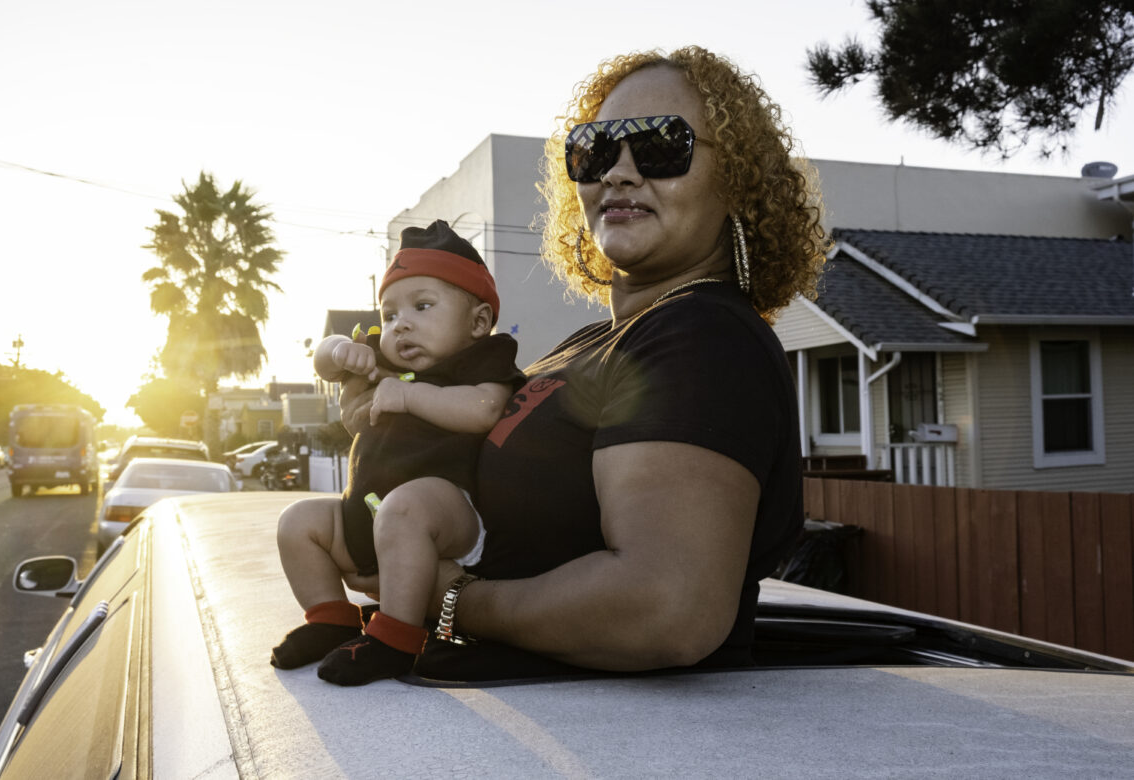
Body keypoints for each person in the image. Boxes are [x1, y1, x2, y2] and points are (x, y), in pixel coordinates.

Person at [340, 45, 830, 675]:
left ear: (735, 177)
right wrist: (383, 413)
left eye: (660, 147)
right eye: (596, 150)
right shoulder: (591, 343)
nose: (619, 173)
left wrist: (450, 599)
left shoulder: (700, 340)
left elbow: (663, 606)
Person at [272, 219, 524, 685]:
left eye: (422, 306)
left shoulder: (479, 360)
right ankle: (330, 619)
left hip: (445, 515)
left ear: (478, 322)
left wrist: (409, 397)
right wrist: (339, 350)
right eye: (389, 315)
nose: (401, 323)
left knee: (404, 508)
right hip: (365, 519)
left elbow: (486, 408)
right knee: (298, 522)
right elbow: (323, 362)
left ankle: (395, 639)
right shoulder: (382, 361)